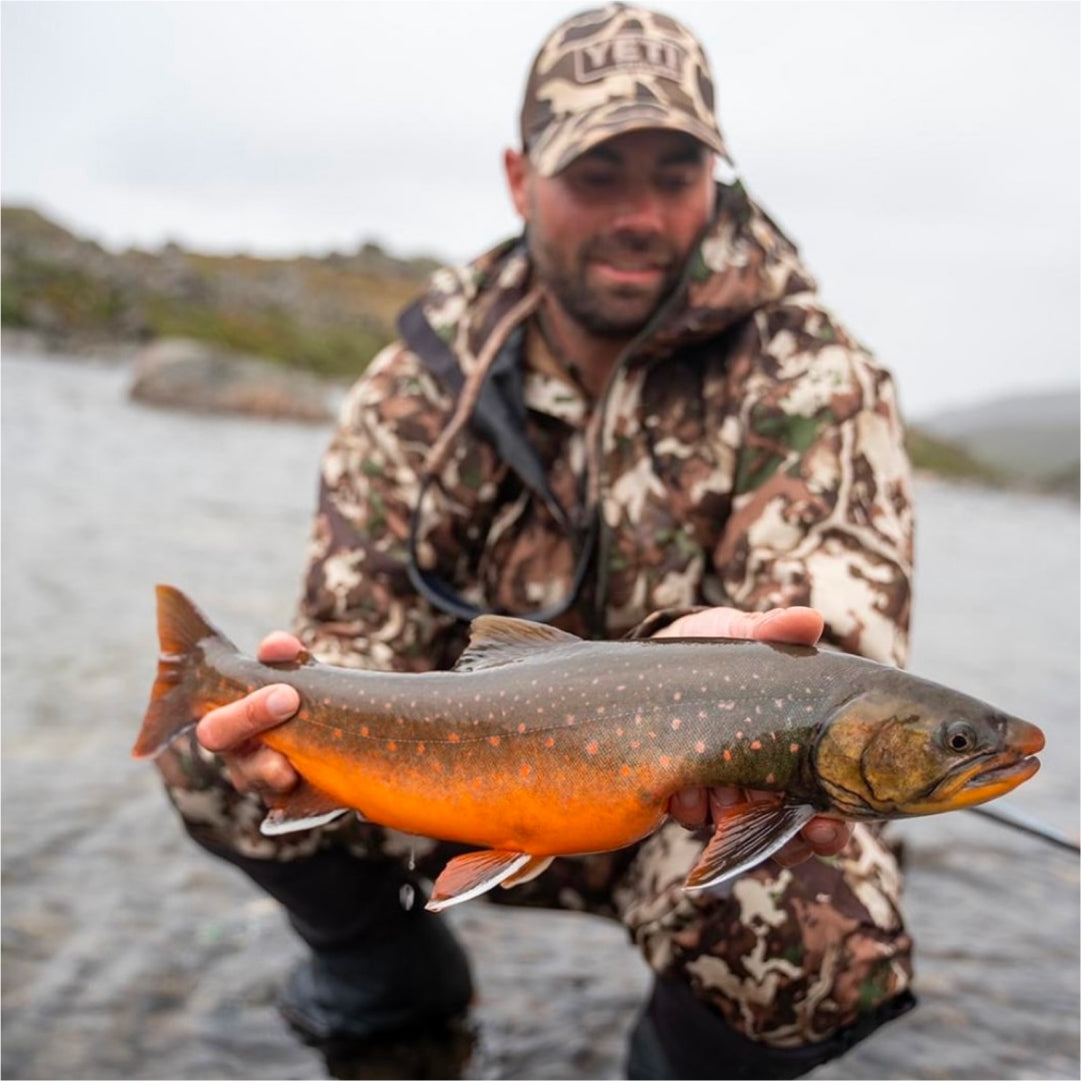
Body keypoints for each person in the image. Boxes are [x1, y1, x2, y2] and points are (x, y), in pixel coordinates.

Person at [154, 4, 917, 1078]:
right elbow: (352, 625)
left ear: (719, 175)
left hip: (689, 808)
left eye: (675, 169)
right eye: (597, 174)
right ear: (519, 179)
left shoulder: (819, 381)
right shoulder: (423, 379)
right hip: (455, 780)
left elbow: (843, 642)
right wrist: (295, 697)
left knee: (826, 932)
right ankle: (390, 989)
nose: (641, 214)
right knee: (213, 748)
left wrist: (723, 667)